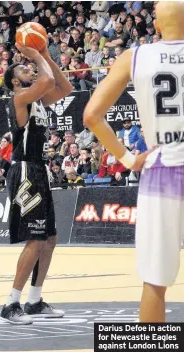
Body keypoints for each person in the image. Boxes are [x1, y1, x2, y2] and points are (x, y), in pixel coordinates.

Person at [83, 1, 184, 322]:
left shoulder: (136, 56)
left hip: (160, 171)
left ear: (155, 26)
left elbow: (91, 116)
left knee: (155, 282)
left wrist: (128, 158)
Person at [1, 41, 72, 324]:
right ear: (14, 81)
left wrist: (44, 56)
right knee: (34, 238)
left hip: (39, 170)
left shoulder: (38, 101)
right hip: (25, 172)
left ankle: (34, 300)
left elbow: (64, 87)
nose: (28, 68)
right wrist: (36, 55)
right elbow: (47, 80)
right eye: (22, 68)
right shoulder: (19, 99)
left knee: (49, 238)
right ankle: (10, 304)